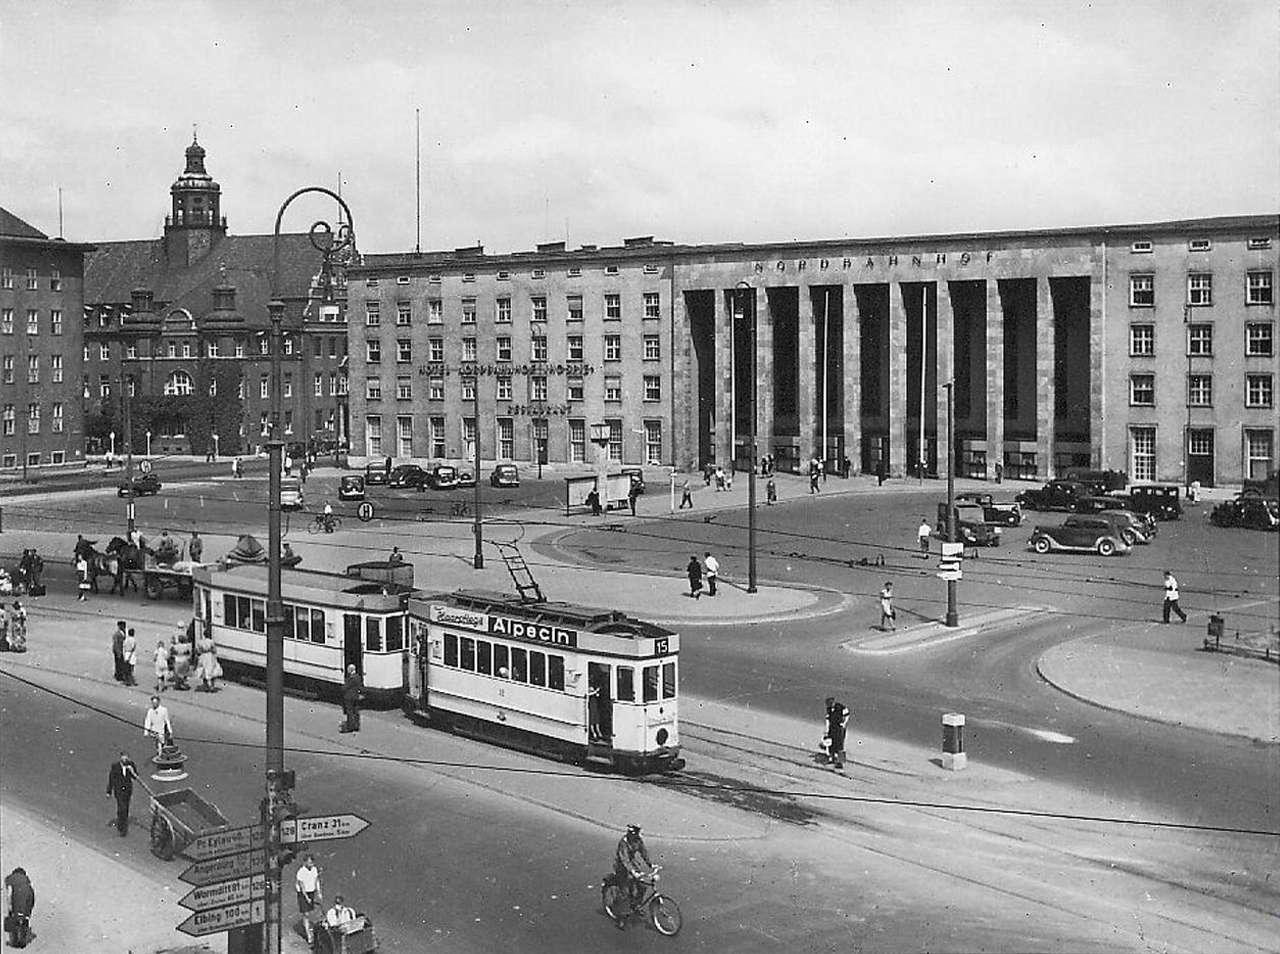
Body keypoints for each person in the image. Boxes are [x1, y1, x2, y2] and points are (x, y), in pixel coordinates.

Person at [612, 825, 654, 928]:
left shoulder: (638, 840)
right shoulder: (624, 842)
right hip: (622, 867)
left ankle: (636, 905)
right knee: (625, 892)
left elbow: (643, 851)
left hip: (633, 864)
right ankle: (621, 918)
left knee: (642, 886)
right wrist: (632, 871)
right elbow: (624, 859)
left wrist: (650, 864)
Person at [106, 751, 138, 836]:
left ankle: (123, 823)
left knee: (126, 808)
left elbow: (136, 777)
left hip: (127, 790)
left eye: (126, 757)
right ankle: (122, 828)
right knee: (122, 808)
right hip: (119, 790)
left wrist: (132, 771)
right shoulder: (115, 766)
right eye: (123, 757)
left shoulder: (131, 765)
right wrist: (109, 791)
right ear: (120, 758)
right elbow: (111, 779)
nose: (125, 759)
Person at [4, 866, 34, 948]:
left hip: (16, 905)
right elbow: (31, 895)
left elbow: (9, 895)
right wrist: (29, 910)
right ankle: (23, 940)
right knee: (24, 920)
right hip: (27, 903)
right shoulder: (27, 883)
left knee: (14, 920)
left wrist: (10, 907)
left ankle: (15, 940)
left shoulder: (11, 881)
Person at [295, 856, 322, 946]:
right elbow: (302, 886)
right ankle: (309, 936)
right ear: (305, 862)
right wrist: (307, 898)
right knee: (306, 914)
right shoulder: (301, 872)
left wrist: (319, 892)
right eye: (310, 863)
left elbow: (316, 880)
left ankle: (311, 930)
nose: (312, 864)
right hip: (303, 894)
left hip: (311, 892)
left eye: (312, 863)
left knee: (311, 912)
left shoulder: (314, 869)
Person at [824, 697, 850, 770]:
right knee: (831, 744)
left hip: (839, 728)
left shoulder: (841, 708)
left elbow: (847, 716)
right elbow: (827, 719)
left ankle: (840, 762)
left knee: (840, 745)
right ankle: (832, 759)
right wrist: (827, 730)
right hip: (832, 727)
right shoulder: (829, 709)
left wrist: (843, 724)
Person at [340, 664, 363, 733]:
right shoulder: (358, 677)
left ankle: (350, 726)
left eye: (348, 669)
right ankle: (356, 725)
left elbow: (345, 687)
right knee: (356, 711)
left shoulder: (351, 678)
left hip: (349, 697)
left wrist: (342, 688)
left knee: (350, 711)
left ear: (351, 670)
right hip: (356, 696)